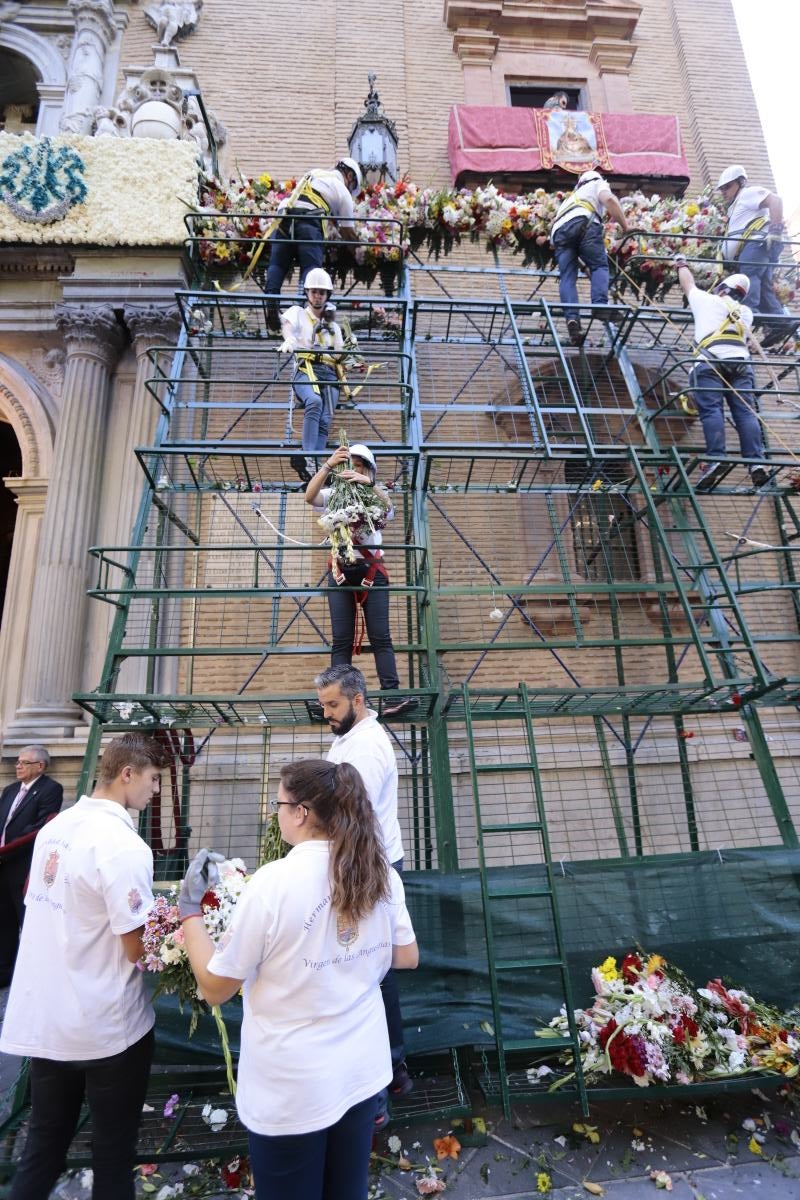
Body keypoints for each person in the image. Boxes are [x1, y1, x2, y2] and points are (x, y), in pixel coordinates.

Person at [179, 759, 418, 1200]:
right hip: (359, 1071)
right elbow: (406, 955)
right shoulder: (380, 871)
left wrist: (190, 912)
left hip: (292, 1085)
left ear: (302, 812)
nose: (277, 812)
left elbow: (215, 988)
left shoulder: (274, 882)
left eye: (280, 803)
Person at [0, 733, 165, 1200]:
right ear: (127, 774)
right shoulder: (123, 845)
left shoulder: (57, 827)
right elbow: (136, 949)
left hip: (52, 1020)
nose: (155, 791)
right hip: (107, 1026)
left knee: (43, 1147)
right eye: (152, 779)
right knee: (113, 1156)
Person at [315, 662, 413, 1124]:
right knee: (369, 967)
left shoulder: (368, 747)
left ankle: (390, 1070)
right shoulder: (348, 738)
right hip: (357, 861)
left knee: (376, 969)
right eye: (323, 706)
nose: (327, 713)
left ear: (357, 700)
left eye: (332, 705)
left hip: (368, 865)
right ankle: (388, 1070)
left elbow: (352, 816)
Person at [305, 445, 418, 716]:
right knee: (341, 640)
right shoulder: (334, 496)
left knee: (381, 636)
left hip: (372, 571)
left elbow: (389, 509)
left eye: (359, 465)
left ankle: (391, 696)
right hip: (341, 572)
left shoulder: (375, 496)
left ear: (368, 469)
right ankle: (337, 702)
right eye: (350, 465)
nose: (353, 470)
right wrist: (328, 466)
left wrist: (371, 485)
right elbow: (310, 497)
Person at [674, 255, 767, 490]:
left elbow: (688, 284)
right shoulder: (746, 313)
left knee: (711, 410)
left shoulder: (707, 301)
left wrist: (681, 264)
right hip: (740, 364)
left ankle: (717, 459)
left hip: (710, 363)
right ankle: (756, 463)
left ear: (722, 289)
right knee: (746, 413)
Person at [261, 159, 363, 332]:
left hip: (284, 218)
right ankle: (305, 316)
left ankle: (271, 303)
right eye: (352, 186)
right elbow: (348, 233)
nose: (350, 190)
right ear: (350, 175)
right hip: (309, 220)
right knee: (311, 270)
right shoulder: (342, 190)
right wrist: (361, 252)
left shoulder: (314, 174)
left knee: (277, 265)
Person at [0, 744, 62, 987]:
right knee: (3, 922)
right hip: (3, 865)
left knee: (28, 920)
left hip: (23, 866)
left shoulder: (50, 789)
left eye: (24, 762)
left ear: (40, 766)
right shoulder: (10, 790)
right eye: (18, 761)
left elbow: (40, 826)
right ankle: (4, 973)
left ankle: (33, 976)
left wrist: (9, 848)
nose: (17, 766)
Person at [280, 267, 345, 484]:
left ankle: (316, 465)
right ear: (307, 292)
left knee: (326, 420)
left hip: (329, 373)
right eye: (314, 291)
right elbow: (288, 327)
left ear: (327, 296)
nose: (318, 296)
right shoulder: (298, 313)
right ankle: (308, 455)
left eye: (322, 292)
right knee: (314, 401)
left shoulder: (333, 325)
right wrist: (289, 340)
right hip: (307, 369)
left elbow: (340, 352)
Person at [550, 168, 629, 345]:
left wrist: (583, 267)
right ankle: (600, 305)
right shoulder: (596, 182)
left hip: (559, 233)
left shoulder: (570, 199)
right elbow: (609, 199)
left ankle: (572, 320)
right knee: (600, 266)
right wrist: (626, 227)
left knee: (567, 278)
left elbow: (564, 244)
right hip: (585, 224)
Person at [716, 165, 788, 342]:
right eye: (722, 188)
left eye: (728, 186)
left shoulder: (747, 194)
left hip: (755, 245)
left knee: (750, 277)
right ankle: (779, 323)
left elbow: (776, 200)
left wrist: (776, 230)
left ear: (740, 183)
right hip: (754, 248)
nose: (724, 192)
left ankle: (750, 313)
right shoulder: (736, 204)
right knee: (764, 285)